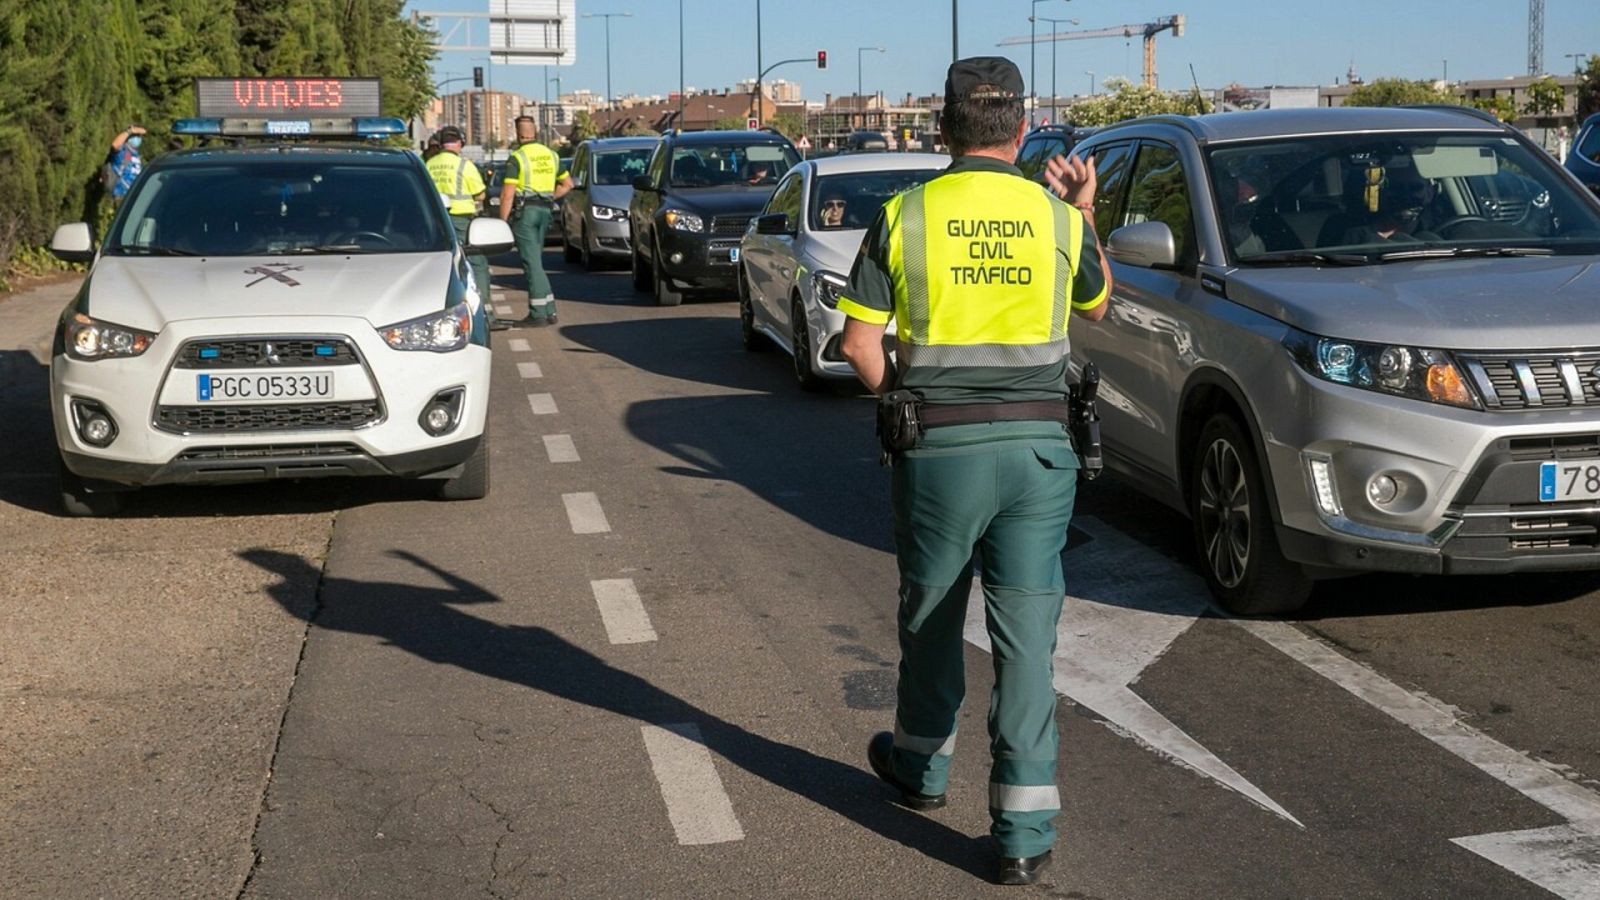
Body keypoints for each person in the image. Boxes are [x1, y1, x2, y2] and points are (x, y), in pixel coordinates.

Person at [836, 56, 1112, 887]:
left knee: (930, 612)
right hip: (1040, 453)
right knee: (1028, 639)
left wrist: (908, 407)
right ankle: (1024, 834)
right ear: (1022, 131)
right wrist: (1084, 212)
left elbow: (856, 346)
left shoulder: (904, 216)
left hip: (940, 455)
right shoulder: (1058, 220)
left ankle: (920, 766)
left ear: (945, 130)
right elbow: (1097, 304)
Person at [499, 116, 571, 327]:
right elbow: (567, 184)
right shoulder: (552, 155)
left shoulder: (517, 157)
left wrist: (501, 223)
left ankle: (538, 313)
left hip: (526, 213)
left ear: (519, 135)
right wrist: (549, 196)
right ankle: (549, 310)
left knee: (531, 264)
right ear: (535, 133)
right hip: (545, 211)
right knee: (536, 261)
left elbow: (507, 194)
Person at [425, 127, 494, 325]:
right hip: (461, 219)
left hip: (435, 221)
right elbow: (480, 193)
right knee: (476, 262)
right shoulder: (464, 165)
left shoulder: (429, 164)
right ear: (460, 143)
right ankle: (484, 314)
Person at [107, 124, 147, 206]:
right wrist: (129, 131)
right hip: (122, 195)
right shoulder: (124, 150)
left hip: (134, 196)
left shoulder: (134, 155)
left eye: (140, 136)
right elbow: (115, 145)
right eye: (137, 136)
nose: (139, 138)